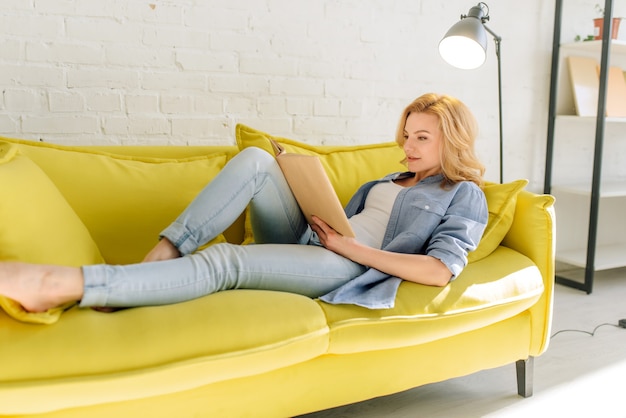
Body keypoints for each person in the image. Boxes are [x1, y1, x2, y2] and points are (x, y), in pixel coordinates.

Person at [0, 93, 488, 313]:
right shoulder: (394, 177)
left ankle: (72, 285)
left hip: (349, 267)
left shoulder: (463, 193)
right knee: (257, 160)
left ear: (453, 141)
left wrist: (348, 249)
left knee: (226, 260)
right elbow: (358, 220)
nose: (408, 146)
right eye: (406, 135)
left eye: (422, 137)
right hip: (319, 244)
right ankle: (166, 251)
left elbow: (439, 270)